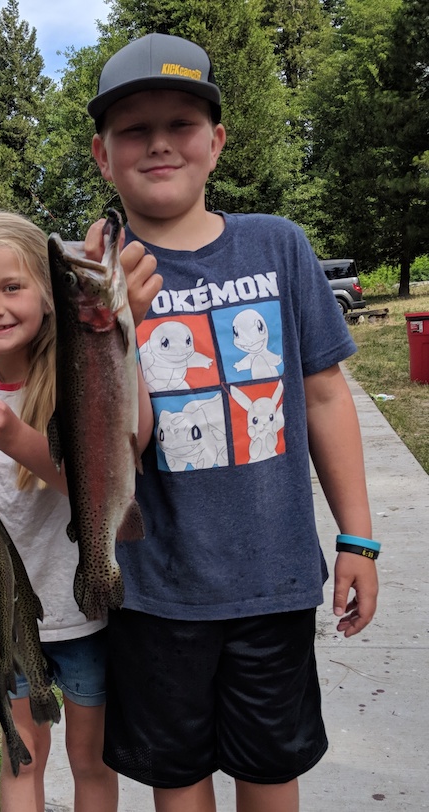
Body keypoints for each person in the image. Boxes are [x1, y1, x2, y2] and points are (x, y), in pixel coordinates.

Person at [86, 33, 379, 812]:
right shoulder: (91, 275)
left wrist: (357, 537)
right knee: (177, 781)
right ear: (101, 155)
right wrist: (108, 325)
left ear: (215, 142)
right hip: (154, 591)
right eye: (131, 129)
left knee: (269, 772)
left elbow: (323, 396)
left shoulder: (278, 245)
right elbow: (109, 437)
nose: (157, 142)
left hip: (273, 580)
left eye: (180, 122)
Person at [0, 209, 153, 812]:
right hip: (9, 614)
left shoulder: (79, 367)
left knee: (89, 761)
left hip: (83, 609)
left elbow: (97, 479)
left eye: (11, 287)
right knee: (22, 752)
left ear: (48, 296)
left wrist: (17, 437)